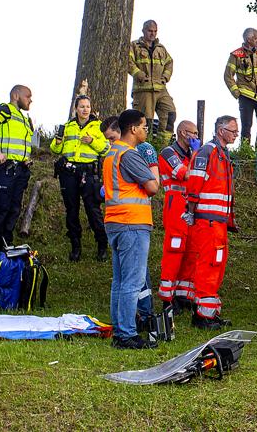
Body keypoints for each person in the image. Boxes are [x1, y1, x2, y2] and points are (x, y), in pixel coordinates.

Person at [103, 109, 159, 350]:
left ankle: (120, 329)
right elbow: (153, 186)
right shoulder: (130, 155)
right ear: (133, 129)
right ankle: (126, 334)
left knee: (120, 281)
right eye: (144, 126)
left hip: (115, 222)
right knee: (132, 282)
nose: (147, 130)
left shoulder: (111, 153)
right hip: (132, 223)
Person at [184, 115, 239, 329]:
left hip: (218, 222)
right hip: (207, 221)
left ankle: (209, 312)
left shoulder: (222, 154)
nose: (236, 134)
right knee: (208, 265)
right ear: (220, 130)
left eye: (236, 131)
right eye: (232, 131)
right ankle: (202, 316)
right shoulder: (208, 152)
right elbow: (194, 182)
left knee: (216, 265)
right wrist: (191, 209)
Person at [50, 95, 110, 262]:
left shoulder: (98, 126)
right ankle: (75, 246)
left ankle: (102, 245)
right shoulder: (68, 126)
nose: (85, 109)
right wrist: (58, 140)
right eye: (82, 106)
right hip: (68, 173)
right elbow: (56, 149)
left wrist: (92, 141)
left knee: (93, 210)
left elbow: (106, 149)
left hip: (89, 173)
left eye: (88, 106)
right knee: (71, 210)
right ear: (76, 108)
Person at [0, 85, 34, 268]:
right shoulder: (5, 110)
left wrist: (25, 160)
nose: (30, 100)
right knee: (1, 209)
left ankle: (6, 248)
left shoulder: (24, 118)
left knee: (13, 210)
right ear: (15, 95)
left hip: (20, 171)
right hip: (4, 170)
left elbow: (19, 145)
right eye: (28, 96)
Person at [157, 120, 201, 312]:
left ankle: (184, 296)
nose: (196, 137)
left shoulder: (191, 154)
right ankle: (167, 298)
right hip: (176, 206)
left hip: (191, 206)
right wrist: (198, 156)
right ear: (183, 133)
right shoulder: (169, 153)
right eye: (193, 133)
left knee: (191, 252)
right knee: (174, 252)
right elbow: (185, 174)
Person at [128, 20, 176, 145]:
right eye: (150, 31)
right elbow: (128, 61)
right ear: (143, 31)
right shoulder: (134, 46)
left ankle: (162, 145)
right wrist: (138, 73)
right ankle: (145, 146)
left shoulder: (161, 48)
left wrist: (165, 77)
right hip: (143, 90)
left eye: (155, 31)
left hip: (160, 89)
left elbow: (169, 63)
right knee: (145, 122)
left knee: (170, 113)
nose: (152, 34)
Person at [224, 28, 257, 149]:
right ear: (248, 39)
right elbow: (228, 76)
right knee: (246, 126)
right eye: (256, 38)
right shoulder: (236, 55)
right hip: (246, 96)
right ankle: (245, 150)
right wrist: (237, 92)